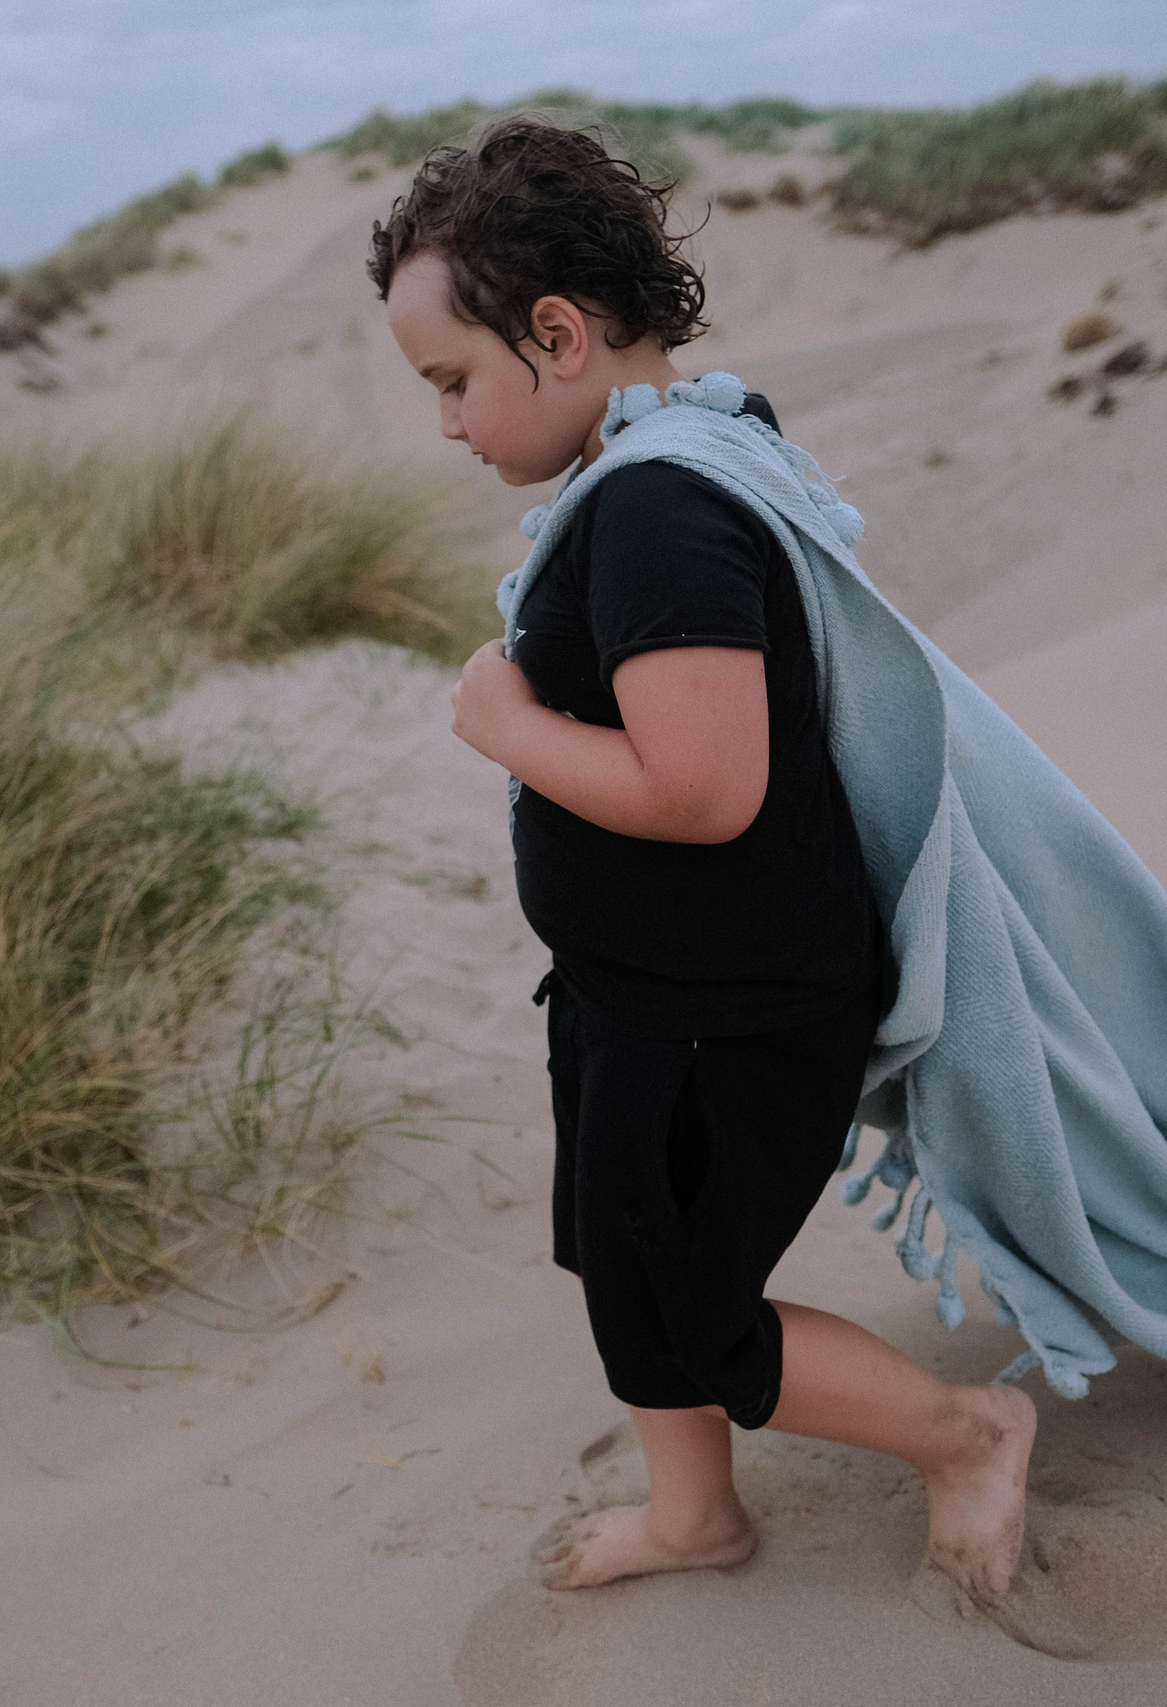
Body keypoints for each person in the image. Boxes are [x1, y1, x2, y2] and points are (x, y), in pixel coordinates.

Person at [367, 117, 1036, 1601]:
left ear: (556, 334)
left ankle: (969, 1432)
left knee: (680, 1313)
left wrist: (506, 722)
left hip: (725, 1010)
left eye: (454, 382)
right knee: (625, 1269)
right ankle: (694, 1519)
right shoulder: (684, 449)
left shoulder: (663, 510)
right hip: (639, 990)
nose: (449, 423)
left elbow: (704, 788)